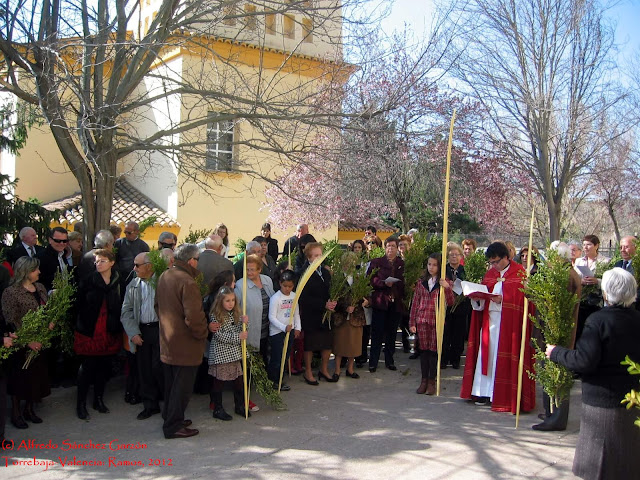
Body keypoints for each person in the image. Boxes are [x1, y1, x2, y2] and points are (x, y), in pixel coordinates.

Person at [545, 268, 640, 479]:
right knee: (627, 461)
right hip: (632, 400)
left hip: (602, 403)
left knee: (599, 462)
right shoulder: (636, 319)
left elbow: (584, 361)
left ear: (606, 293)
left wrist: (557, 353)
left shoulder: (598, 321)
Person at [460, 241, 535, 413]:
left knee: (503, 359)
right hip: (489, 322)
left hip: (509, 325)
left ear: (506, 257)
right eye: (491, 262)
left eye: (496, 262)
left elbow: (524, 303)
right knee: (487, 356)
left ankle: (502, 395)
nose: (494, 266)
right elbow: (482, 299)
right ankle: (483, 392)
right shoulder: (490, 274)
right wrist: (476, 297)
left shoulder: (520, 274)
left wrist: (504, 300)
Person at [155, 243, 208, 439]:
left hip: (168, 340)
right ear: (191, 260)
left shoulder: (164, 275)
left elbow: (157, 307)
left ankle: (170, 416)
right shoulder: (188, 281)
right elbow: (193, 316)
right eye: (198, 260)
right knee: (182, 387)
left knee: (171, 384)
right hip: (185, 344)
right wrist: (202, 333)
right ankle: (173, 425)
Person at [532, 241, 581, 431]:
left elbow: (555, 305)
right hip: (553, 332)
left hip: (557, 333)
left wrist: (534, 291)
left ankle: (557, 417)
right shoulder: (565, 273)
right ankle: (551, 411)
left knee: (557, 375)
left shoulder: (566, 276)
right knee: (550, 374)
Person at [1, 257, 51, 429]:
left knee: (35, 376)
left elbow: (46, 309)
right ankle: (16, 413)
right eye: (35, 269)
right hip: (22, 342)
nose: (39, 272)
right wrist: (27, 340)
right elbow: (11, 320)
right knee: (19, 378)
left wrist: (49, 322)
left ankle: (30, 409)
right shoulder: (11, 292)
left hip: (40, 338)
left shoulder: (40, 288)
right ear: (26, 271)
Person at [74, 249, 122, 420]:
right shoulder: (88, 281)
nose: (98, 264)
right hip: (90, 329)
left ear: (111, 262)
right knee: (87, 367)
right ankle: (80, 403)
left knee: (104, 366)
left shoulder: (118, 280)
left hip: (110, 329)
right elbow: (77, 305)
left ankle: (98, 399)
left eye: (102, 261)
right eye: (96, 261)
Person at [120, 253, 164, 420]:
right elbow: (126, 311)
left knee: (159, 367)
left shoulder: (162, 282)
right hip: (142, 331)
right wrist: (133, 333)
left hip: (160, 329)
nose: (134, 268)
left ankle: (167, 402)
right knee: (144, 369)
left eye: (137, 265)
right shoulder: (133, 285)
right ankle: (149, 405)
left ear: (149, 266)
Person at [410, 253, 454, 395]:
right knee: (423, 351)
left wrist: (447, 288)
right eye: (429, 264)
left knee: (434, 352)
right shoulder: (421, 282)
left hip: (436, 321)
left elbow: (451, 302)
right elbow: (415, 303)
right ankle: (423, 380)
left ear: (439, 266)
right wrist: (412, 322)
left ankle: (431, 381)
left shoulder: (443, 282)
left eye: (434, 265)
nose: (431, 267)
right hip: (422, 320)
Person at [207, 286, 249, 420]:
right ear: (220, 301)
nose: (231, 304)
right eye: (227, 301)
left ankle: (240, 405)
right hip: (222, 353)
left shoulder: (235, 313)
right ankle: (217, 408)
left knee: (238, 381)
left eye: (232, 300)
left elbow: (240, 330)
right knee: (219, 381)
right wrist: (238, 337)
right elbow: (219, 335)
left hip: (234, 354)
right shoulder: (215, 315)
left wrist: (244, 324)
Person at [298, 242, 336, 385]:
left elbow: (331, 290)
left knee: (327, 343)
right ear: (308, 257)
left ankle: (324, 369)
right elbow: (303, 298)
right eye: (314, 255)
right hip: (311, 314)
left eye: (320, 255)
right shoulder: (303, 273)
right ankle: (308, 372)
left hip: (327, 314)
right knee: (310, 344)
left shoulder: (325, 272)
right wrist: (323, 304)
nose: (318, 258)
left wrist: (333, 301)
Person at [367, 237, 405, 373]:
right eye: (388, 246)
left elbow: (404, 282)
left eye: (393, 246)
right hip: (381, 302)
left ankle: (390, 361)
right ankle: (373, 362)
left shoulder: (401, 263)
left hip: (395, 303)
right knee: (377, 334)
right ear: (385, 248)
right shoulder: (377, 262)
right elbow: (371, 279)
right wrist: (383, 283)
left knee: (392, 334)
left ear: (397, 248)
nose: (390, 249)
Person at [234, 254, 275, 365]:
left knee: (265, 359)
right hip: (252, 332)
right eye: (247, 269)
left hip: (267, 329)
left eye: (252, 270)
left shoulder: (267, 280)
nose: (249, 272)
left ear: (259, 269)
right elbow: (235, 307)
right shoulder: (240, 285)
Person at [332, 252, 367, 380]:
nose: (349, 265)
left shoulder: (359, 278)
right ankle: (336, 370)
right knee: (339, 344)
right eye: (347, 263)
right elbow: (334, 298)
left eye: (352, 262)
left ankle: (350, 369)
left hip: (356, 317)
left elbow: (365, 295)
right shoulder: (337, 279)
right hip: (341, 317)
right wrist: (345, 307)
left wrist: (365, 301)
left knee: (353, 345)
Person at [267, 270, 300, 391]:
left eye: (290, 286)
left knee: (285, 357)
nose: (287, 288)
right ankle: (273, 381)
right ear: (280, 283)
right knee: (277, 357)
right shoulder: (276, 298)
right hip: (277, 333)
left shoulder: (294, 296)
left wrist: (297, 328)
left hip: (289, 331)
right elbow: (271, 317)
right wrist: (283, 327)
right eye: (285, 286)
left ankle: (280, 379)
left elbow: (296, 313)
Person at [574, 235, 610, 342]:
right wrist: (581, 281)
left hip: (596, 301)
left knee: (594, 330)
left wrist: (597, 281)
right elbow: (575, 278)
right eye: (584, 245)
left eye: (588, 245)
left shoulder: (605, 261)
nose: (586, 247)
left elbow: (609, 281)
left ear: (596, 246)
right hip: (581, 300)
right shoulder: (578, 261)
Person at [443, 242, 468, 369]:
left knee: (458, 333)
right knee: (446, 332)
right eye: (451, 254)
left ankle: (455, 359)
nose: (454, 257)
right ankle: (444, 358)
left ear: (461, 256)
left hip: (461, 305)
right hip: (447, 305)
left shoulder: (465, 270)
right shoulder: (444, 269)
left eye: (456, 254)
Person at [114, 221, 150, 289]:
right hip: (120, 278)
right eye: (125, 232)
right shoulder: (119, 243)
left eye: (129, 233)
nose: (126, 234)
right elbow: (114, 259)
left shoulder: (143, 246)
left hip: (136, 278)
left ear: (137, 232)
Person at [37, 226, 72, 292]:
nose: (61, 244)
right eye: (58, 241)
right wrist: (49, 292)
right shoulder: (41, 257)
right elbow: (38, 281)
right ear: (50, 240)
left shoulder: (64, 255)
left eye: (64, 241)